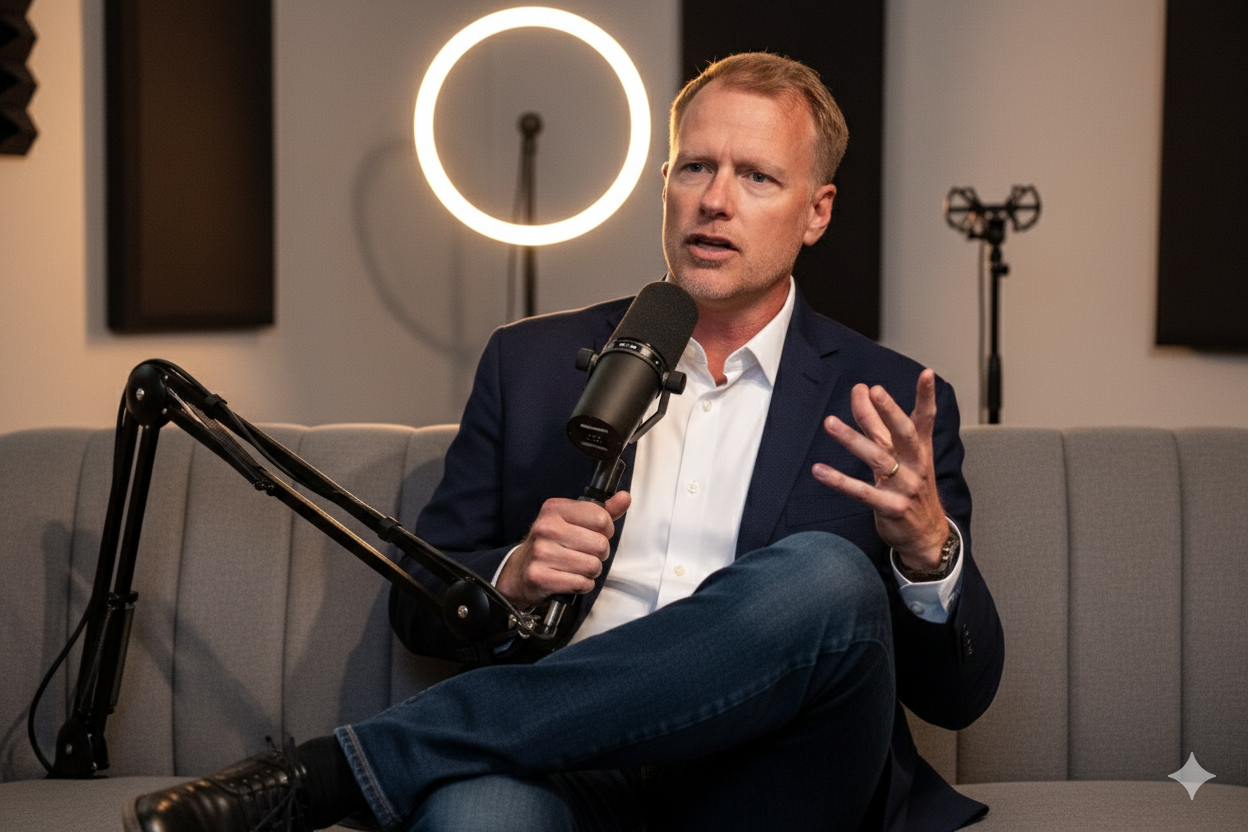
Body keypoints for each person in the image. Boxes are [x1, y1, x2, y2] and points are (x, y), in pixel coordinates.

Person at [126, 52, 1003, 832]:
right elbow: (418, 603)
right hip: (562, 767)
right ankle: (404, 762)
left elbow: (958, 696)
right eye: (695, 166)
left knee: (827, 574)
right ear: (666, 182)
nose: (714, 199)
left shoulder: (889, 401)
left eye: (757, 177)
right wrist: (511, 574)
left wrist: (928, 552)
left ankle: (342, 770)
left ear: (817, 212)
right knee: (475, 817)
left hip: (770, 773)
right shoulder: (533, 362)